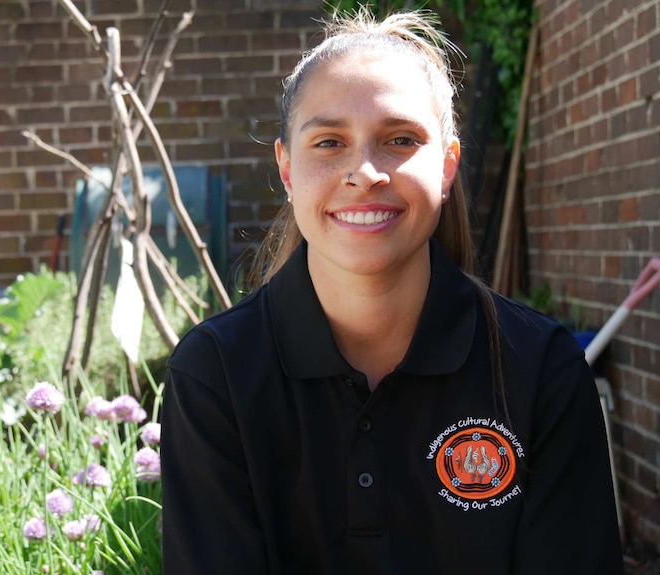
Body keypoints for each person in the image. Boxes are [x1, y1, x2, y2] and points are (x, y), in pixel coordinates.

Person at [161, 8, 623, 574]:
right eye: (329, 142)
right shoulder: (216, 375)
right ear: (286, 169)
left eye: (400, 139)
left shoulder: (542, 368)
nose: (366, 172)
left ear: (448, 164)